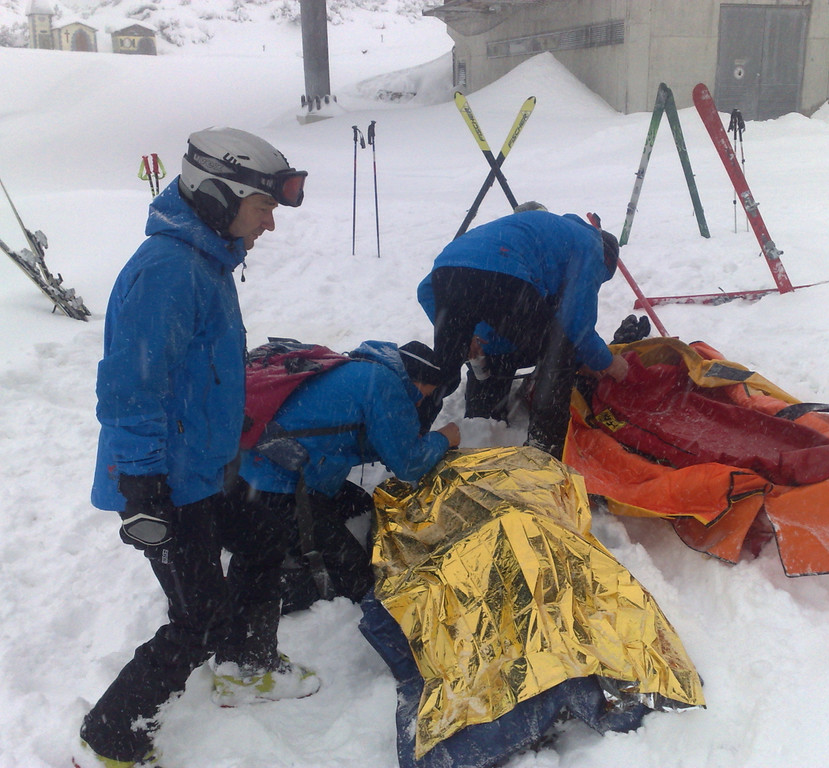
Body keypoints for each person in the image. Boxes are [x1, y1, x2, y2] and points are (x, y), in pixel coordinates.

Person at [79, 127, 311, 768]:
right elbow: (132, 390)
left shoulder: (205, 263)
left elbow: (202, 376)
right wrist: (142, 489)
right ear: (219, 197)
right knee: (197, 617)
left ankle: (247, 663)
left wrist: (245, 436)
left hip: (201, 467)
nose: (269, 225)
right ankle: (111, 735)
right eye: (264, 208)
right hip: (164, 480)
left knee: (264, 537)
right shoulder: (168, 272)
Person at [236, 339, 460, 615]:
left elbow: (346, 432)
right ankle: (270, 588)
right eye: (430, 391)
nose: (426, 399)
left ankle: (284, 545)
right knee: (355, 574)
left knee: (360, 504)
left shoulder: (363, 367)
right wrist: (443, 439)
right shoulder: (387, 387)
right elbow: (409, 465)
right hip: (278, 489)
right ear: (420, 380)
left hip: (254, 473)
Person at [417, 208, 629, 457]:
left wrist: (467, 336)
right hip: (502, 271)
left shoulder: (550, 233)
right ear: (606, 262)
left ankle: (419, 437)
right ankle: (545, 447)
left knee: (448, 366)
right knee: (557, 353)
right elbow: (576, 321)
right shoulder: (590, 245)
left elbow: (426, 290)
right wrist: (606, 361)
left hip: (447, 269)